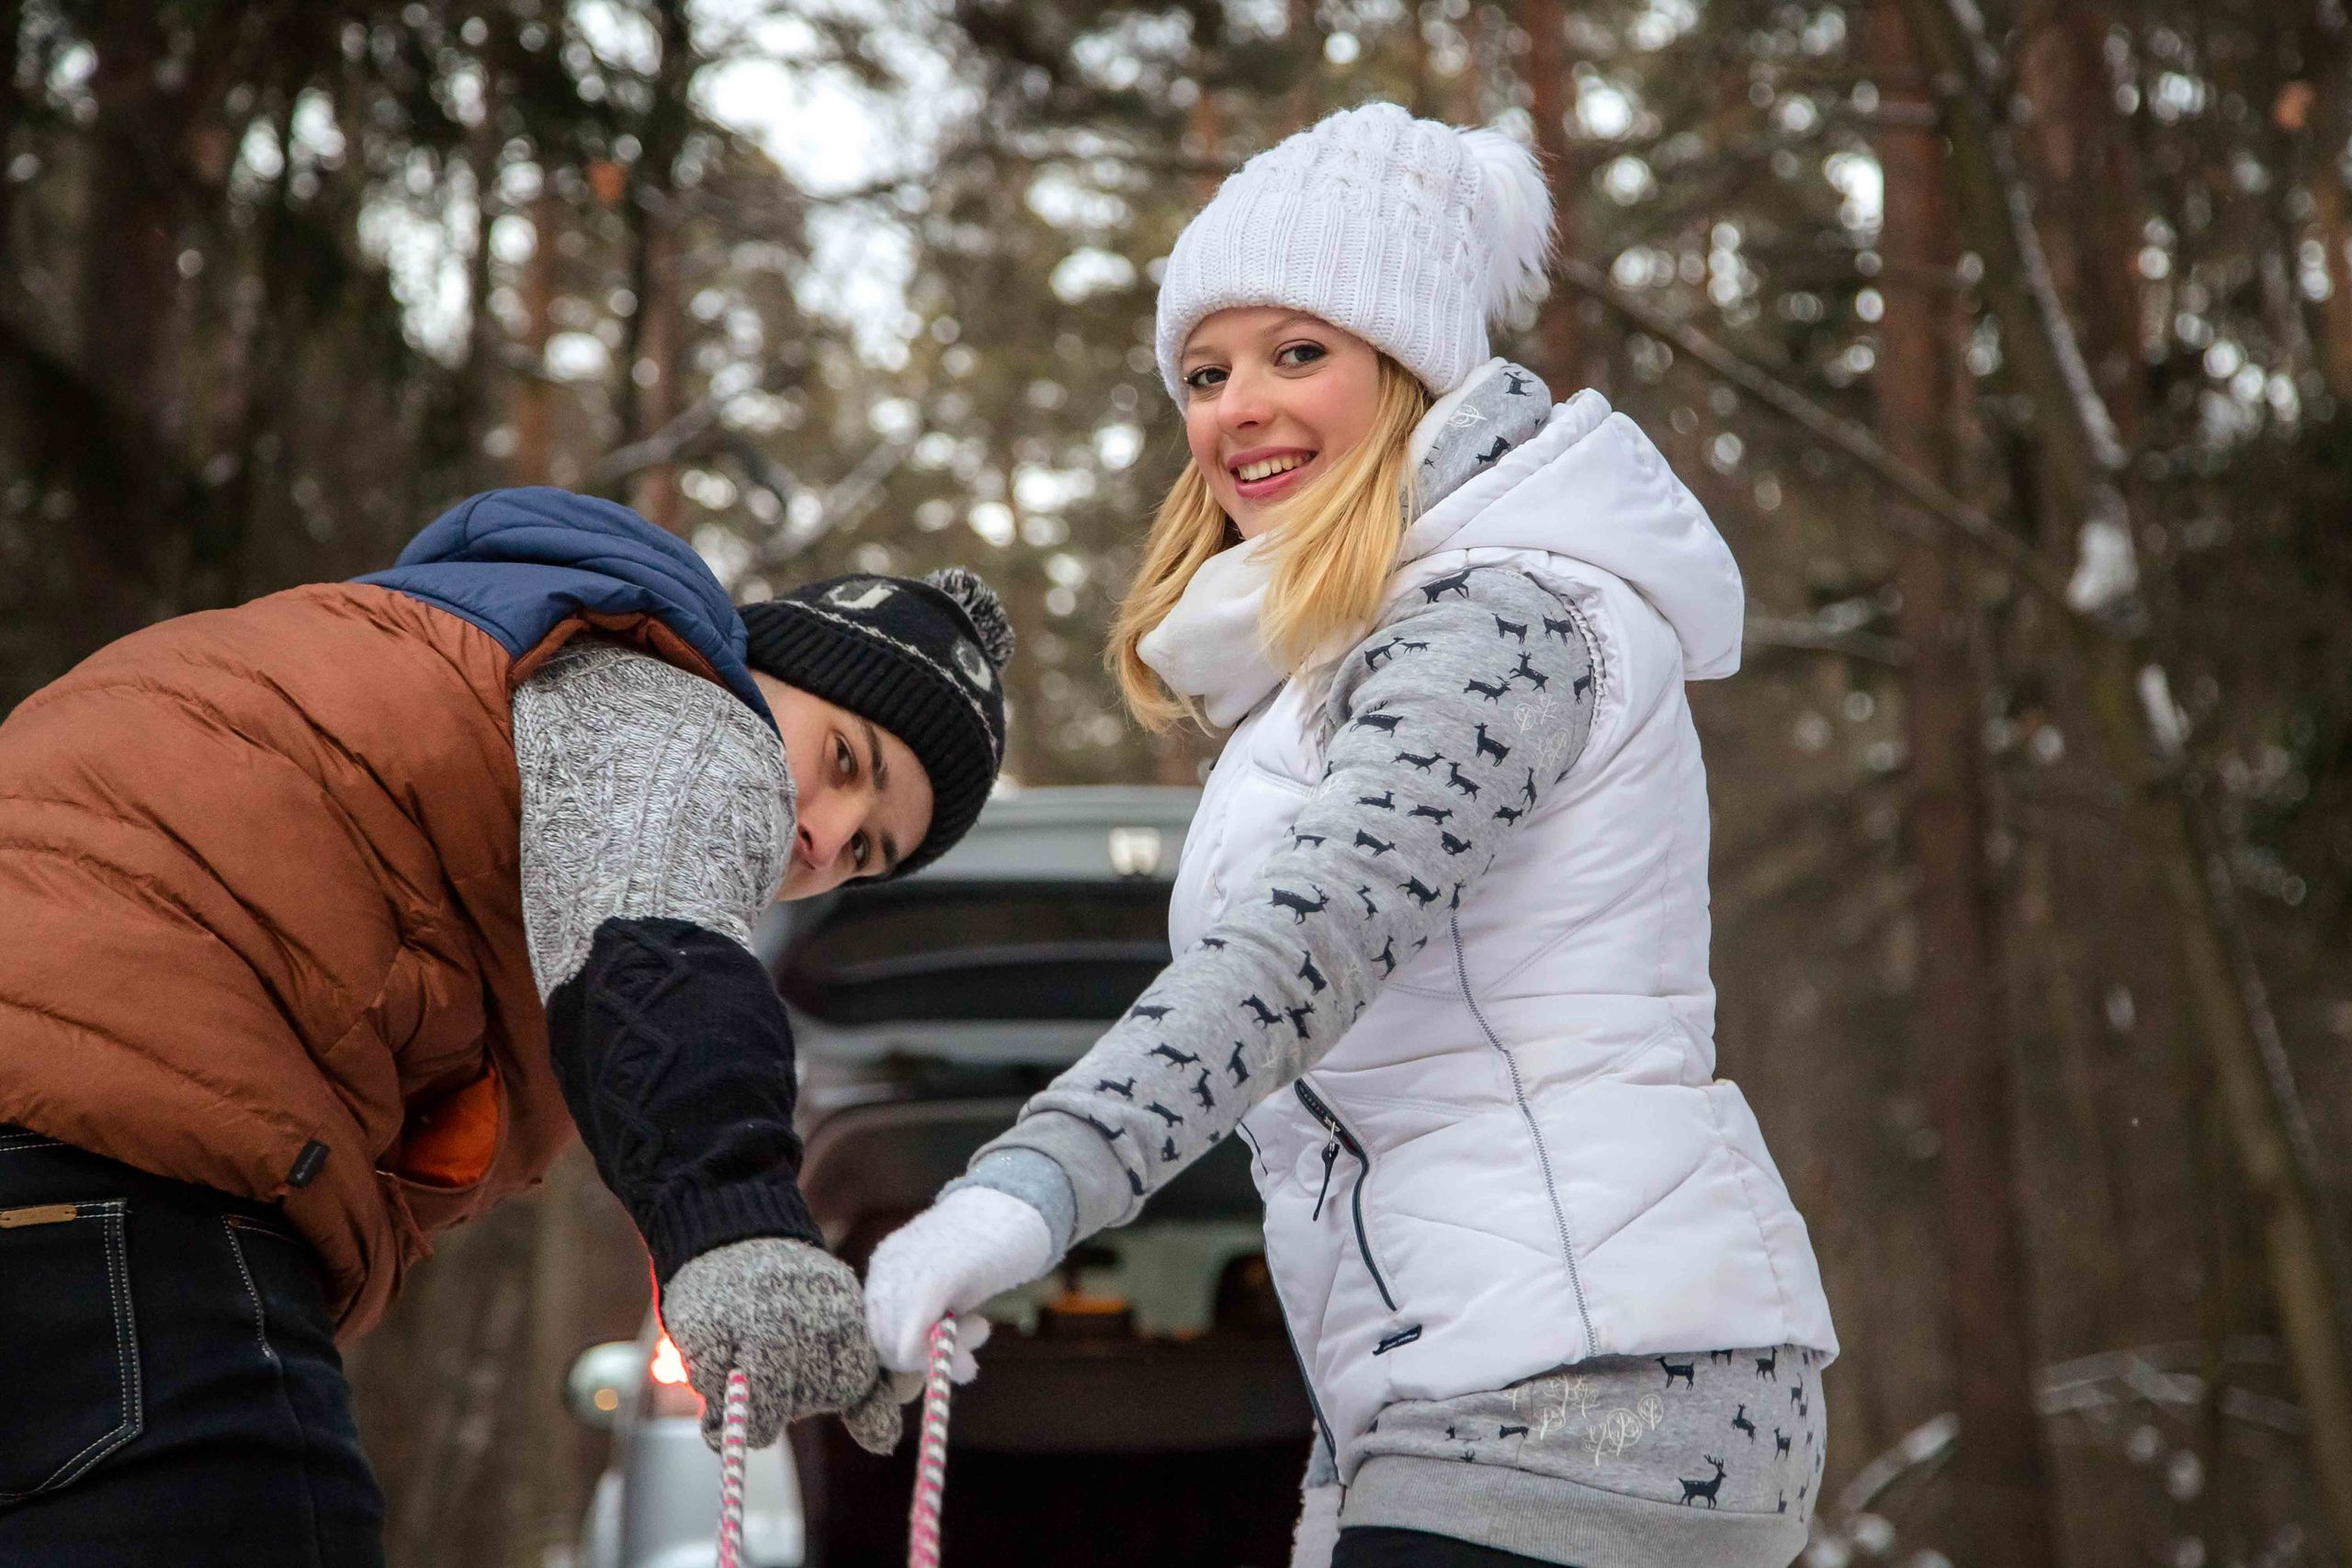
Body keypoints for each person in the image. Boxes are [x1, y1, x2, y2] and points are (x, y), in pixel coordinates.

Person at [863, 103, 1838, 1568]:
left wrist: (1026, 1184)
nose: (1237, 406)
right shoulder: (1344, 660)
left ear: (1413, 370)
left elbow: (1310, 935)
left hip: (1595, 1392)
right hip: (1452, 1389)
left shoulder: (1506, 621)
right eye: (1205, 371)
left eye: (1297, 352)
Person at [0, 486, 1013, 1564]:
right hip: (107, 1155)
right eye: (846, 761)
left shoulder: (462, 651)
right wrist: (740, 1226)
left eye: (867, 854)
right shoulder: (679, 711)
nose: (823, 835)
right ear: (761, 675)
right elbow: (658, 961)